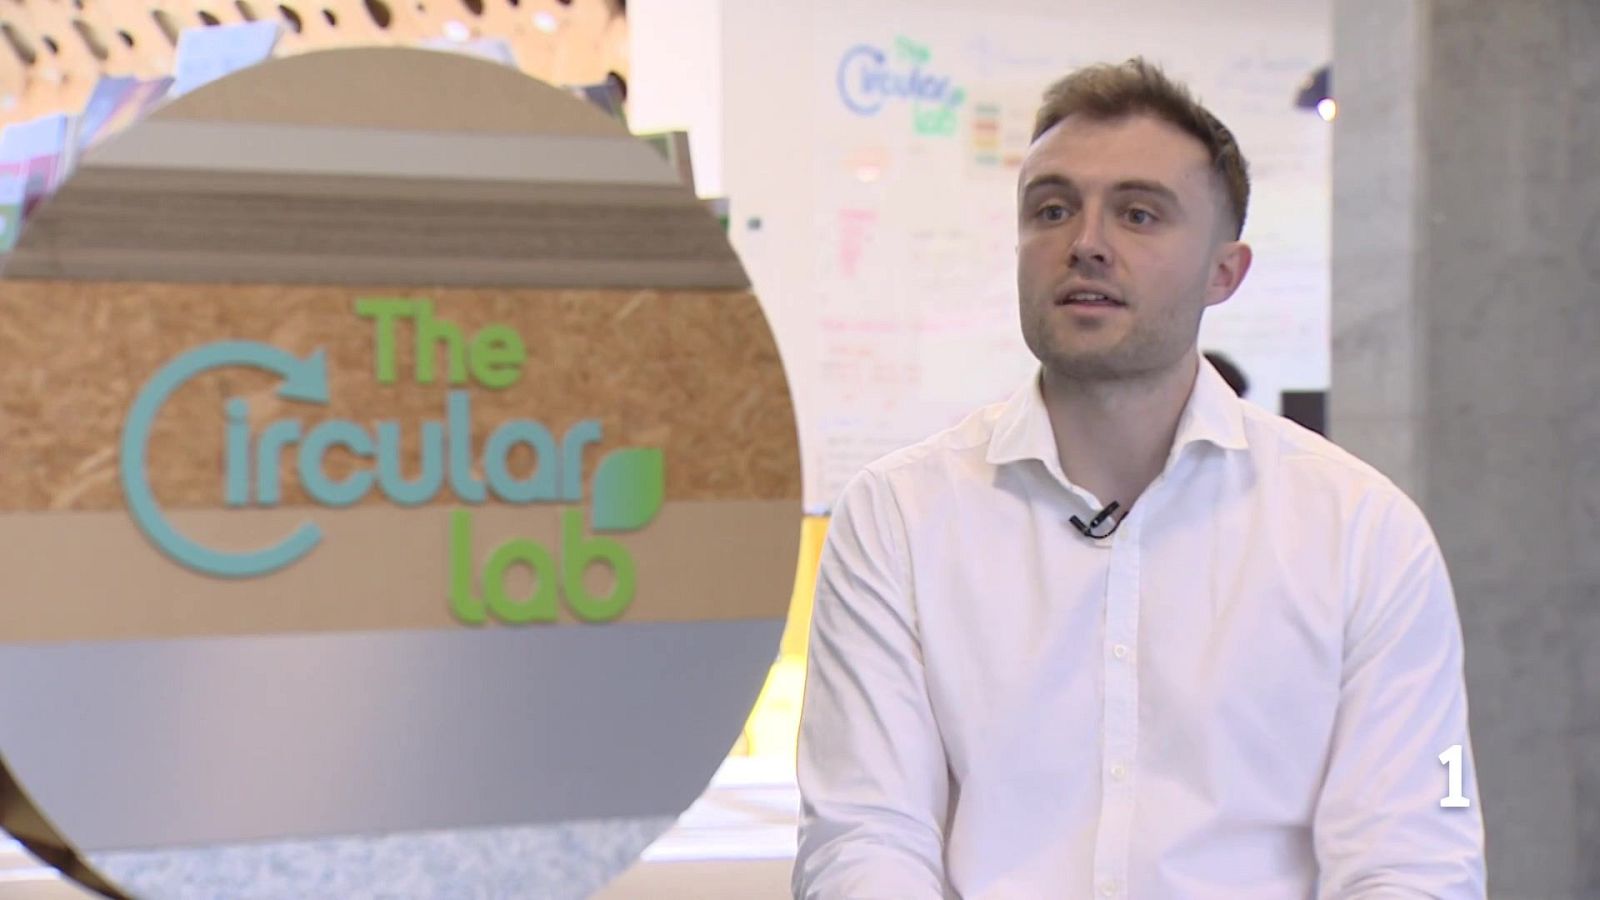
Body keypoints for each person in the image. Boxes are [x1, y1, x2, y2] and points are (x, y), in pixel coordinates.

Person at [793, 58, 1484, 899]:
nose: (1085, 241)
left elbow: (1416, 853)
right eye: (1051, 209)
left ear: (1225, 272)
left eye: (1139, 213)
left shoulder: (1363, 533)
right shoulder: (898, 517)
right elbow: (864, 834)